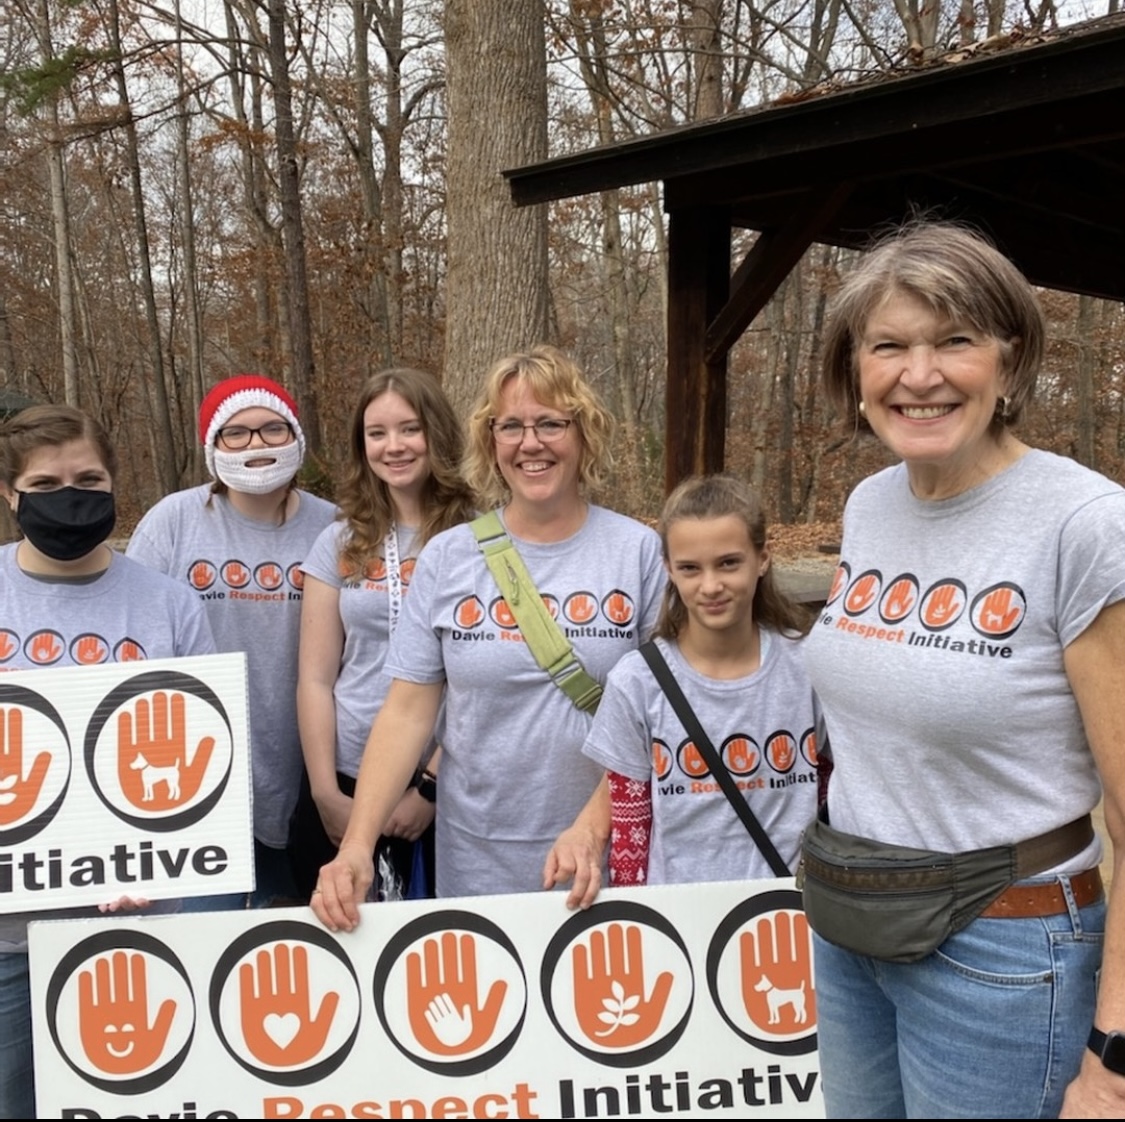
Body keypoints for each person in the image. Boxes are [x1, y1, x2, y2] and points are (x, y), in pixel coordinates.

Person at [800, 221, 1125, 1119]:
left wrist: (1113, 1058)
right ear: (854, 369)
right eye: (888, 346)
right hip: (854, 920)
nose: (919, 374)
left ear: (1009, 360)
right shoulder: (871, 503)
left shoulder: (1085, 526)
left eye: (954, 341)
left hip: (1006, 946)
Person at [311, 344, 666, 930]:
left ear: (584, 433)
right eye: (512, 427)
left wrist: (592, 826)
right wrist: (356, 845)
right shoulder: (452, 556)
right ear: (489, 439)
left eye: (552, 423)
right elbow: (405, 712)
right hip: (474, 856)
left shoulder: (638, 553)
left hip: (598, 861)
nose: (531, 443)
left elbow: (659, 719)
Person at [0, 404, 216, 1118]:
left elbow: (207, 757)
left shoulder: (169, 604)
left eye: (88, 478)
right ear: (11, 495)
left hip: (138, 921)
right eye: (46, 482)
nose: (70, 495)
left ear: (115, 484)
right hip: (6, 937)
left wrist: (153, 865)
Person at [127, 375, 336, 908]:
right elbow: (129, 650)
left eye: (272, 429)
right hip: (196, 781)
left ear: (296, 437)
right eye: (235, 434)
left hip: (310, 773)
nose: (257, 445)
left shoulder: (334, 528)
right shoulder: (172, 523)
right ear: (212, 447)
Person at [581, 473, 820, 890]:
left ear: (762, 558)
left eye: (728, 563)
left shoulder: (810, 666)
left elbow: (837, 790)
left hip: (792, 915)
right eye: (690, 568)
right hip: (683, 926)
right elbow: (629, 830)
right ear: (668, 569)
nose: (710, 586)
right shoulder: (637, 683)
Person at [293, 367, 476, 901]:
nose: (393, 446)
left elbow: (484, 682)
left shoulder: (482, 536)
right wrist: (326, 790)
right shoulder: (339, 541)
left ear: (437, 434)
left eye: (409, 429)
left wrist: (429, 788)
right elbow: (314, 677)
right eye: (377, 433)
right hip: (349, 771)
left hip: (448, 780)